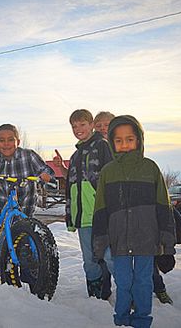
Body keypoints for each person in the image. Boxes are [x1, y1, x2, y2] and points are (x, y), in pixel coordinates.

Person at [92, 115, 176, 328]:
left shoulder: (150, 168)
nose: (125, 144)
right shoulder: (108, 172)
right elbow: (100, 209)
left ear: (139, 140)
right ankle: (120, 319)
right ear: (112, 143)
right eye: (118, 140)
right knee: (123, 282)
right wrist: (100, 241)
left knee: (143, 282)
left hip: (146, 240)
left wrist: (167, 242)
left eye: (129, 139)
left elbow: (163, 206)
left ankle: (142, 320)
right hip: (119, 241)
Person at [53, 109, 113, 299]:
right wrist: (62, 168)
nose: (78, 129)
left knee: (111, 258)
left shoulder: (102, 146)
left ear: (91, 124)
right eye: (74, 126)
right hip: (82, 217)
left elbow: (110, 178)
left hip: (101, 214)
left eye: (82, 124)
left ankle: (130, 295)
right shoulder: (76, 154)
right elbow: (73, 182)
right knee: (90, 261)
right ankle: (96, 297)